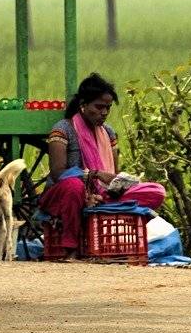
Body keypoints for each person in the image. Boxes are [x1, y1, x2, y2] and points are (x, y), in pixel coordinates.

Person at [39, 73, 165, 260]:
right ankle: (70, 248)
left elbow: (113, 176)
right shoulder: (63, 129)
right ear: (83, 104)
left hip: (102, 194)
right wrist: (94, 176)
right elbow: (58, 173)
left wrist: (119, 184)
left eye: (107, 108)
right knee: (74, 186)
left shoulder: (109, 132)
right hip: (65, 193)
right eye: (98, 107)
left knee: (156, 191)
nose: (104, 113)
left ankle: (108, 224)